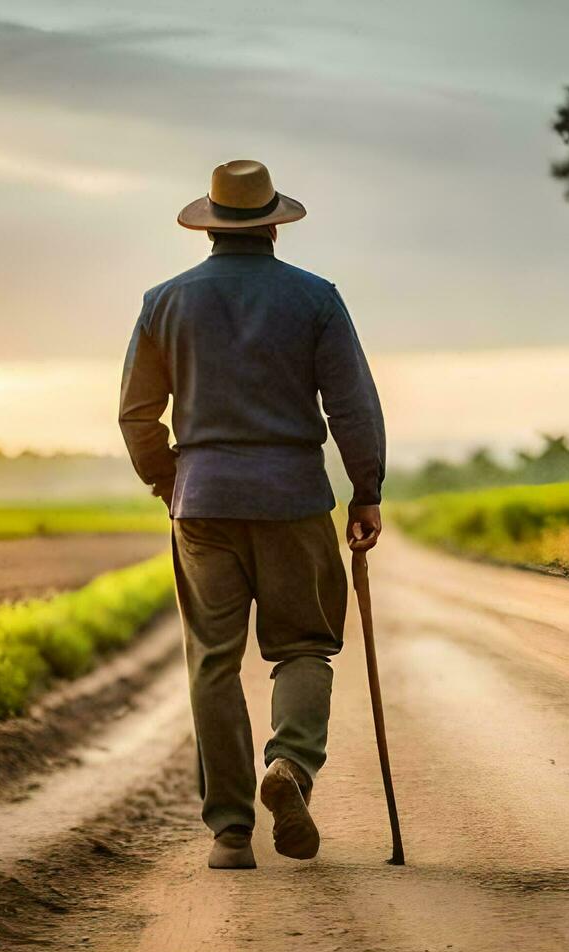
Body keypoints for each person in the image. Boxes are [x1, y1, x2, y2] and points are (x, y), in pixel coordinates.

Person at [118, 159, 386, 869]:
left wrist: (169, 479)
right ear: (273, 224)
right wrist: (367, 489)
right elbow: (352, 405)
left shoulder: (163, 302)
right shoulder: (316, 299)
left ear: (209, 225)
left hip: (202, 502)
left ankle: (230, 833)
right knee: (303, 645)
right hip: (294, 497)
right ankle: (290, 767)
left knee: (212, 661)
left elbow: (137, 414)